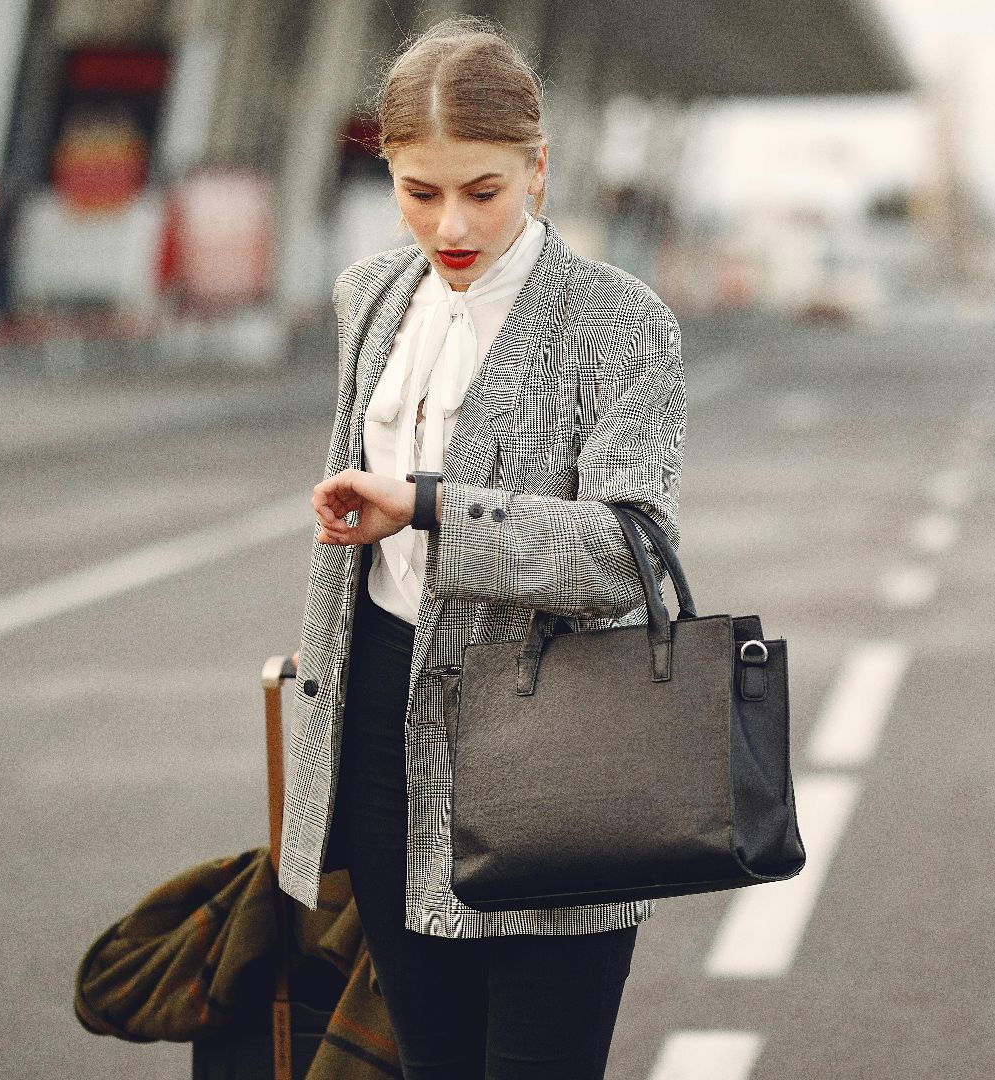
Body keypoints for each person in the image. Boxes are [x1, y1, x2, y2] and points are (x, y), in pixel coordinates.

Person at [277, 15, 685, 1079]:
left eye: (483, 190)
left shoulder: (617, 323)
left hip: (554, 751)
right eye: (421, 191)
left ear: (539, 170)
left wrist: (427, 506)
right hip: (379, 740)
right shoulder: (369, 297)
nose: (450, 222)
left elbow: (624, 551)